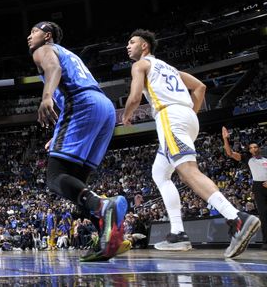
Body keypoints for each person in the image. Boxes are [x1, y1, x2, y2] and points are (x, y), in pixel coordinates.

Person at [122, 29, 260, 258]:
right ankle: (177, 233)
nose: (128, 46)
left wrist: (126, 116)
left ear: (144, 46)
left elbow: (135, 97)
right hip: (188, 118)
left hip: (169, 117)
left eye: (132, 42)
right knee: (160, 173)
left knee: (187, 172)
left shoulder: (140, 65)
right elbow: (200, 87)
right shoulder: (171, 69)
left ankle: (236, 218)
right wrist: (190, 114)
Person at [27, 21, 126, 262]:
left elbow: (54, 71)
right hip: (103, 107)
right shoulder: (69, 53)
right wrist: (58, 133)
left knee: (54, 177)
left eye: (34, 32)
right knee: (78, 186)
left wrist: (46, 97)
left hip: (81, 104)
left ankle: (104, 206)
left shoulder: (44, 50)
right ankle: (111, 236)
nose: (29, 37)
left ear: (47, 35)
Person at [221, 127, 267, 249]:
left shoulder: (266, 159)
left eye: (255, 147)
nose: (253, 149)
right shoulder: (247, 159)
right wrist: (225, 139)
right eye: (251, 148)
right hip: (258, 187)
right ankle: (266, 242)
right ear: (249, 150)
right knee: (263, 214)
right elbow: (229, 153)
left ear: (259, 148)